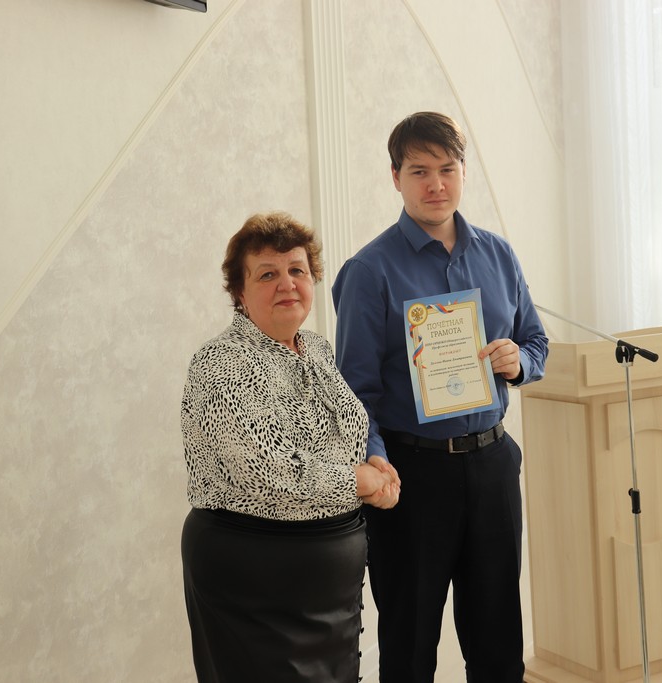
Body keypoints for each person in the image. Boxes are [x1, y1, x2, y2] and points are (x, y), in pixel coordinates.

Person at [331, 112, 548, 682]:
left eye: (447, 169)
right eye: (419, 171)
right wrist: (376, 462)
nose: (436, 184)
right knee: (409, 645)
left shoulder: (498, 255)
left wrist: (518, 362)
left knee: (498, 641)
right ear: (395, 177)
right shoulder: (369, 271)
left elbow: (536, 342)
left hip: (493, 466)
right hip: (413, 477)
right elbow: (353, 394)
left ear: (463, 172)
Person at [180, 211, 400, 683]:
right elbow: (270, 472)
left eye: (297, 270)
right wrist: (357, 481)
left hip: (330, 591)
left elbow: (343, 435)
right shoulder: (220, 363)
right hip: (254, 583)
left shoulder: (317, 348)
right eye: (267, 274)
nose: (287, 284)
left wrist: (375, 465)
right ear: (239, 293)